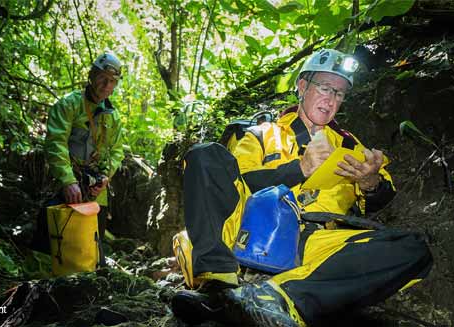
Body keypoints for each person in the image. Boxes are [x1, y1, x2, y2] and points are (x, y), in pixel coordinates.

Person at [172, 49, 433, 326]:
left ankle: (279, 297)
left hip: (316, 241)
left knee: (413, 250)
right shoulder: (260, 134)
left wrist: (370, 182)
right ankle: (217, 285)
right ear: (302, 86)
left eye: (339, 93)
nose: (331, 99)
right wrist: (300, 169)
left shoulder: (350, 146)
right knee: (205, 154)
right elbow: (238, 182)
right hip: (251, 231)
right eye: (325, 87)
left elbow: (382, 196)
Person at [43, 52, 125, 265]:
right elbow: (55, 143)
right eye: (103, 78)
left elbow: (117, 151)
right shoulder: (69, 105)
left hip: (96, 192)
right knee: (51, 240)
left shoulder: (113, 116)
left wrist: (106, 177)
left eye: (112, 81)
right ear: (92, 75)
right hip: (65, 186)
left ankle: (86, 285)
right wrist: (68, 181)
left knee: (90, 246)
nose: (107, 85)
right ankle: (40, 285)